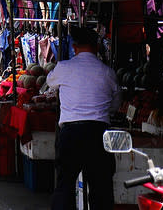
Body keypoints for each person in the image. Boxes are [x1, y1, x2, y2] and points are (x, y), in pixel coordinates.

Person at [47, 26, 120, 210]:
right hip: (98, 134)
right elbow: (115, 104)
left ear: (74, 46)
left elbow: (50, 82)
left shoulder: (64, 67)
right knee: (101, 188)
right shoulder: (107, 72)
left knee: (65, 185)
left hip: (71, 133)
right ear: (96, 47)